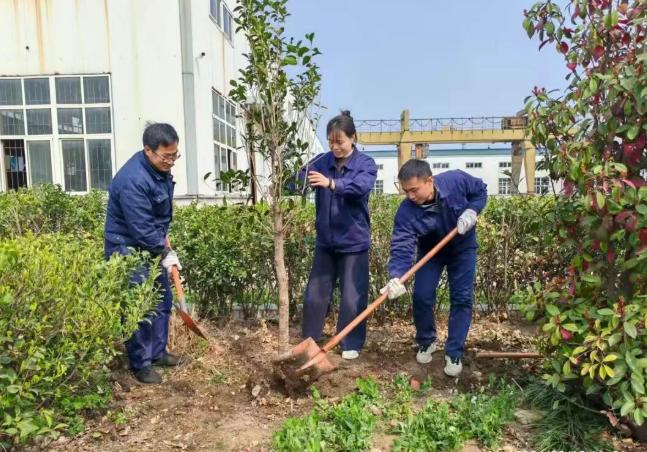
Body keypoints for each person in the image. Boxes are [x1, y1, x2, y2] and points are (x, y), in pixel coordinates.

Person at [380, 159, 487, 376]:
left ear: (429, 181)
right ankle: (426, 341)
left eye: (414, 190)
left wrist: (472, 210)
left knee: (461, 299)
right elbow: (402, 245)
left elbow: (480, 191)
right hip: (431, 252)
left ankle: (454, 351)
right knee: (422, 296)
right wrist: (396, 276)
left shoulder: (456, 181)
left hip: (462, 248)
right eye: (406, 191)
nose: (410, 196)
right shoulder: (406, 211)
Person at [104, 123, 184, 384]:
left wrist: (164, 243)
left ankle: (158, 353)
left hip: (151, 242)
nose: (171, 161)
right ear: (148, 150)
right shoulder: (133, 180)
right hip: (127, 246)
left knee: (161, 298)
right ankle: (141, 364)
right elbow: (141, 228)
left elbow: (156, 217)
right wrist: (165, 251)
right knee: (138, 306)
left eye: (174, 155)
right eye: (166, 157)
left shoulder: (158, 170)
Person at [300, 110, 378, 360]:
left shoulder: (365, 164)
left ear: (353, 138)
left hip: (354, 242)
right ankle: (309, 340)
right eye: (331, 142)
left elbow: (361, 187)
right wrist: (298, 180)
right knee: (314, 295)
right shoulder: (322, 161)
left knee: (352, 297)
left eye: (340, 142)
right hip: (325, 242)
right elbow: (300, 177)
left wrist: (332, 184)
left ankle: (350, 342)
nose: (335, 147)